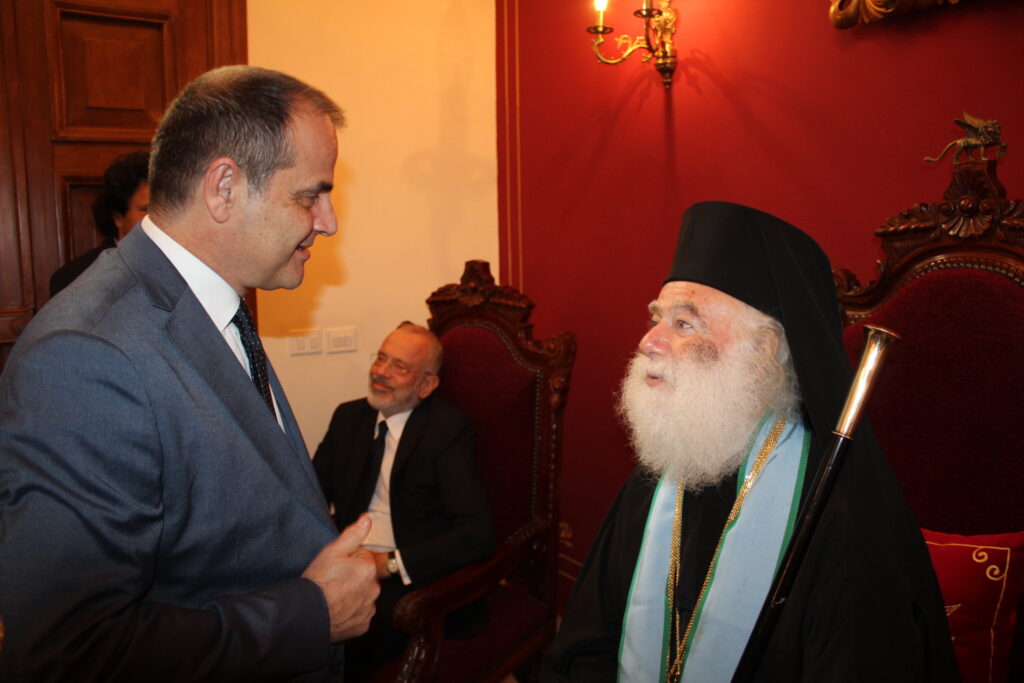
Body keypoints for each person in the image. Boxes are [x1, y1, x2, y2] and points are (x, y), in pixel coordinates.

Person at [0, 66, 379, 681]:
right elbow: (71, 653)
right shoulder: (86, 356)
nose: (328, 220)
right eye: (310, 195)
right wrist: (311, 614)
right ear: (224, 187)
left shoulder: (206, 301)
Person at [542, 201, 958, 682]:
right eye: (657, 317)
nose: (648, 341)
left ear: (762, 351)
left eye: (683, 323)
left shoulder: (836, 514)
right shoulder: (662, 471)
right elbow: (590, 639)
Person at [313, 322, 495, 678]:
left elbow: (477, 535)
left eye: (399, 366)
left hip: (410, 574)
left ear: (427, 385)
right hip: (350, 557)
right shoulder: (348, 417)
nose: (381, 372)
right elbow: (312, 495)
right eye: (381, 358)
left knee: (349, 634)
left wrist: (389, 564)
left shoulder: (448, 431)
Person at [49, 150, 150, 297]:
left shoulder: (178, 267)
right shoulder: (74, 277)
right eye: (146, 209)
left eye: (165, 208)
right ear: (118, 218)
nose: (159, 218)